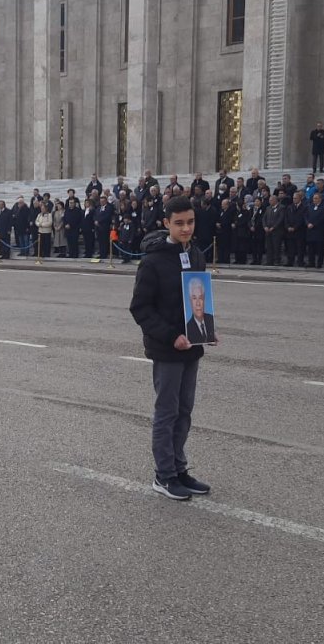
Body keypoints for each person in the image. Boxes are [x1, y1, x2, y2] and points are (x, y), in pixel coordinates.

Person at [129, 196, 215, 502]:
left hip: (192, 346)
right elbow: (140, 308)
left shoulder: (196, 256)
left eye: (190, 222)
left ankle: (179, 469)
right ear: (167, 223)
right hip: (167, 349)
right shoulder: (152, 261)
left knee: (185, 411)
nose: (186, 228)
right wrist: (171, 336)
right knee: (166, 412)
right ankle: (163, 475)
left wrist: (207, 330)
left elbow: (201, 301)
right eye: (179, 223)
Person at [304, 192, 324, 269]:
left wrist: (314, 224)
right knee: (311, 248)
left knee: (320, 248)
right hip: (310, 230)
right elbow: (305, 216)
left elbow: (323, 217)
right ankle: (311, 262)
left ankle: (319, 263)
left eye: (316, 198)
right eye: (313, 198)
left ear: (320, 199)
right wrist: (308, 223)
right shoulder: (310, 206)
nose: (314, 200)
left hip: (319, 230)